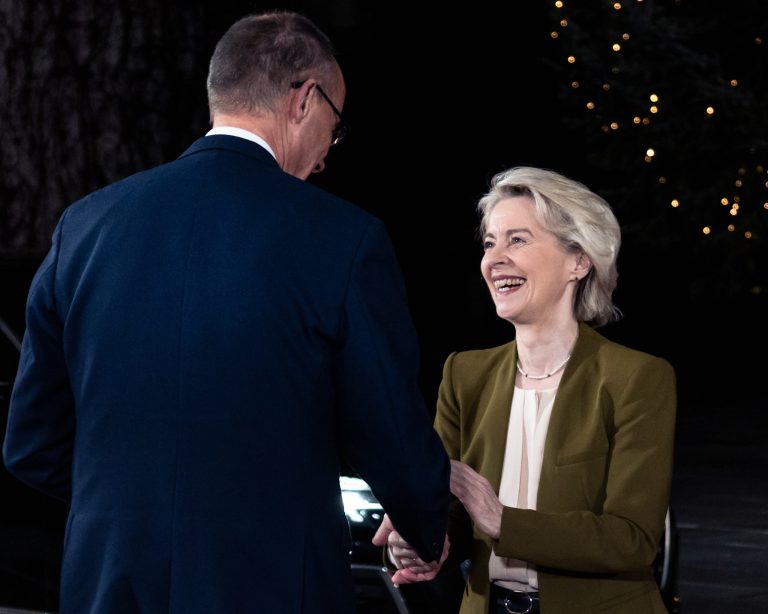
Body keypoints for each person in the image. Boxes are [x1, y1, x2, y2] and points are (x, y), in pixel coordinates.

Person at [3, 10, 450, 614]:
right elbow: (388, 427)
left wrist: (132, 506)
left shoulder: (83, 227)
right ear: (304, 99)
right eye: (333, 127)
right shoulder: (343, 239)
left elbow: (31, 444)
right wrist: (425, 528)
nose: (324, 157)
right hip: (271, 587)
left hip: (109, 584)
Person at [374, 166, 676, 613]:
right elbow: (451, 521)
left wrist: (500, 520)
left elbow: (631, 540)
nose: (494, 259)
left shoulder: (637, 378)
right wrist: (419, 542)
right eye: (490, 243)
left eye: (517, 239)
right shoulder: (464, 375)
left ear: (579, 260)